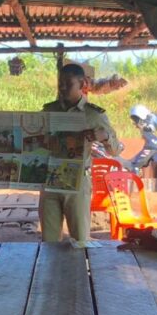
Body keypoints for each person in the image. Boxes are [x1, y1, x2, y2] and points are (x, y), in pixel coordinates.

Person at [40, 63, 122, 243]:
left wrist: (105, 137)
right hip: (49, 181)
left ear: (82, 83)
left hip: (77, 183)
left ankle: (80, 263)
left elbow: (116, 150)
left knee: (80, 241)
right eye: (60, 83)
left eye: (68, 84)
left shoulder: (93, 115)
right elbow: (29, 141)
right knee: (49, 241)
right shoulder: (49, 111)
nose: (62, 88)